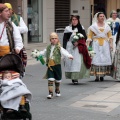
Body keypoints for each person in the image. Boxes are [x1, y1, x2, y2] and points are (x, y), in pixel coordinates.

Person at [39, 32, 73, 99]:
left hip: (57, 66)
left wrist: (69, 56)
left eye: (55, 38)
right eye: (52, 39)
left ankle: (57, 89)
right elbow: (43, 53)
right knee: (50, 79)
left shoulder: (59, 47)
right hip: (50, 66)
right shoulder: (48, 47)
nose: (54, 40)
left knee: (58, 79)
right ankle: (50, 93)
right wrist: (37, 54)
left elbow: (64, 52)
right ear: (50, 40)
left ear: (57, 39)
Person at [63, 14, 91, 84]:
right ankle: (72, 76)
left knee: (77, 62)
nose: (74, 21)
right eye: (73, 20)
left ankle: (76, 77)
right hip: (70, 47)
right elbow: (64, 39)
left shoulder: (81, 28)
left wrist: (78, 42)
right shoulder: (67, 29)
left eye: (76, 20)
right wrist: (64, 49)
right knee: (70, 62)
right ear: (71, 21)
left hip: (78, 48)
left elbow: (85, 37)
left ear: (78, 21)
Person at [87, 12, 113, 81]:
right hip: (96, 43)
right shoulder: (94, 26)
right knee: (96, 58)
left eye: (103, 16)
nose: (102, 17)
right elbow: (89, 36)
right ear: (97, 18)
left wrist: (111, 44)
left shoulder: (107, 26)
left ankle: (102, 75)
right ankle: (96, 75)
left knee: (104, 58)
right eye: (100, 16)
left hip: (105, 43)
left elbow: (110, 36)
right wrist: (88, 45)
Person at [4, 3, 28, 75]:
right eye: (6, 11)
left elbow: (25, 29)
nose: (8, 12)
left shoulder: (18, 18)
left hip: (16, 45)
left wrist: (14, 29)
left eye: (9, 10)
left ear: (12, 10)